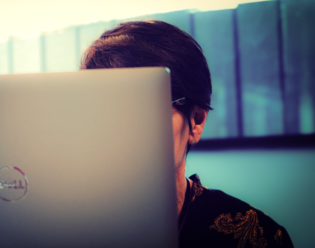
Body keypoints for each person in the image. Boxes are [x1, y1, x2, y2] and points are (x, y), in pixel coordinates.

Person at [80, 20, 293, 248]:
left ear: (196, 120)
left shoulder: (256, 236)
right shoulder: (57, 225)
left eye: (145, 107)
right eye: (103, 110)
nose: (120, 128)